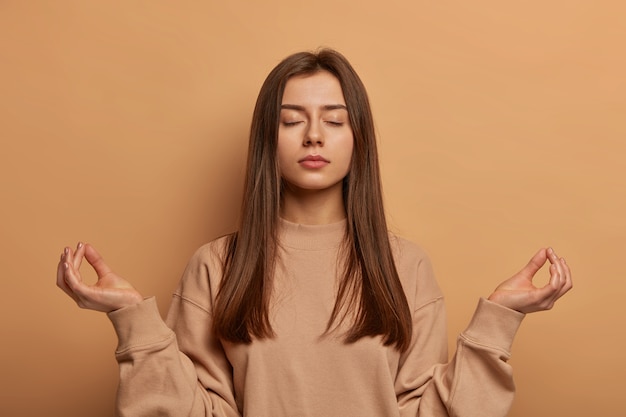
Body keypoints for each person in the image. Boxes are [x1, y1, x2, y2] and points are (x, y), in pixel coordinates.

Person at [56, 49, 572, 417]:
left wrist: (499, 322)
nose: (313, 135)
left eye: (335, 119)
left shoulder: (405, 265)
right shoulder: (216, 265)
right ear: (267, 139)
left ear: (358, 138)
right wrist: (132, 321)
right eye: (290, 120)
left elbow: (428, 411)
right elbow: (192, 411)